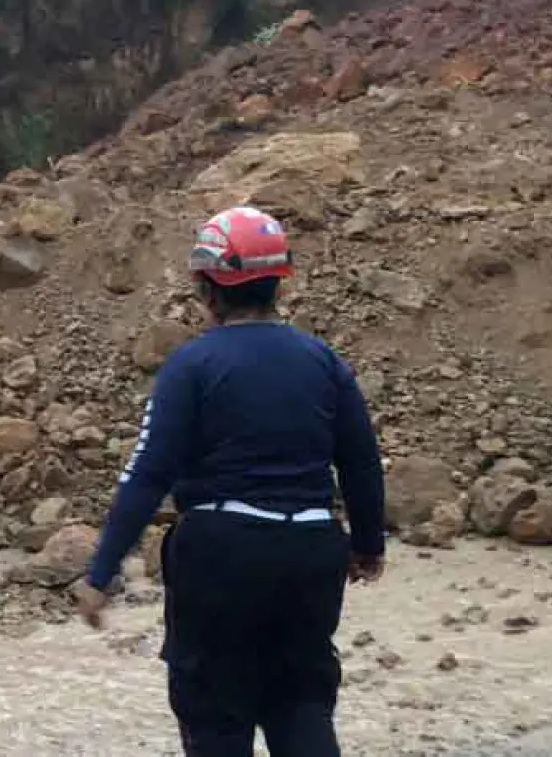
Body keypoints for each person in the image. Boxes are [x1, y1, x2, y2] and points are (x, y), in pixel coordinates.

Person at [75, 207, 386, 756]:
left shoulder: (191, 365)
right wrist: (367, 547)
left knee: (215, 714)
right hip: (312, 552)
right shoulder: (325, 361)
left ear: (208, 288)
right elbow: (360, 461)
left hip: (221, 558)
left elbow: (149, 472)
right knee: (302, 700)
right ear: (277, 285)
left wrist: (102, 572)